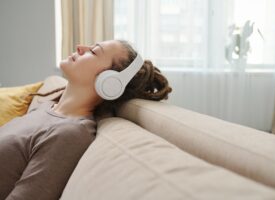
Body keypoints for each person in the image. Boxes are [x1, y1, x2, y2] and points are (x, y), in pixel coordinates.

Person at [0, 40, 172, 200]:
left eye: (94, 51)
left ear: (110, 82)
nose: (80, 47)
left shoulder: (69, 134)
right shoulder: (47, 106)